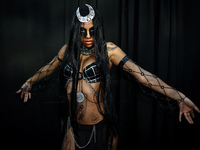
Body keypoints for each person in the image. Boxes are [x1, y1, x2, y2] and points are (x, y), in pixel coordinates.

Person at [16, 4, 200, 150]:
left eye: (92, 31)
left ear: (99, 29)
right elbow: (48, 68)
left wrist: (179, 97)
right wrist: (29, 82)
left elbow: (144, 76)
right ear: (76, 31)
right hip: (74, 130)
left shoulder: (109, 50)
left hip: (101, 130)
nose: (88, 36)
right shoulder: (67, 51)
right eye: (83, 32)